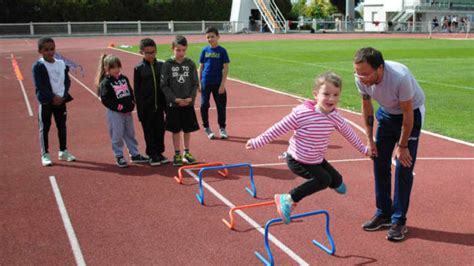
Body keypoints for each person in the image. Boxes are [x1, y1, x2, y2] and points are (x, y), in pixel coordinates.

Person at [246, 72, 370, 224]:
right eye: (326, 94)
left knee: (338, 182)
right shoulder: (301, 114)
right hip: (297, 159)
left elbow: (349, 134)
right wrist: (258, 141)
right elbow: (278, 128)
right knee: (324, 180)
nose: (331, 99)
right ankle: (288, 198)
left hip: (316, 159)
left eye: (336, 95)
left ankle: (335, 182)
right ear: (316, 94)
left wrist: (364, 149)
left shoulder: (335, 117)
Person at [353, 47, 425, 241]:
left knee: (404, 167)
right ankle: (384, 212)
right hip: (386, 114)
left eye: (366, 74)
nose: (361, 78)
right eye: (357, 73)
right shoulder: (360, 78)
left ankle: (398, 220)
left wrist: (402, 146)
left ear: (380, 68)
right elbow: (367, 106)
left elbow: (408, 113)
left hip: (410, 115)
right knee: (379, 161)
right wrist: (370, 139)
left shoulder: (400, 77)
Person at [95, 54, 148, 168]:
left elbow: (130, 91)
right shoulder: (106, 82)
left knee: (130, 133)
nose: (117, 69)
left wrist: (132, 102)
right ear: (107, 69)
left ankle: (134, 154)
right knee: (117, 134)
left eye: (118, 66)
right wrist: (119, 107)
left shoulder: (124, 78)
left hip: (127, 113)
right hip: (115, 114)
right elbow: (105, 99)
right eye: (113, 67)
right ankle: (119, 155)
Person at [32, 36, 76, 166]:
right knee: (45, 128)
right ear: (40, 51)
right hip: (46, 102)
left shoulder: (61, 64)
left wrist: (63, 95)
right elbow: (40, 85)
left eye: (52, 49)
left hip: (61, 101)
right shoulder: (38, 66)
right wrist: (52, 97)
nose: (50, 52)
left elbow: (67, 81)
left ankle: (63, 151)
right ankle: (45, 154)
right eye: (46, 50)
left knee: (61, 126)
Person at [161, 35, 200, 166]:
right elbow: (164, 85)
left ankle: (186, 152)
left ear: (186, 49)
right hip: (173, 104)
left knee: (187, 129)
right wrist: (175, 99)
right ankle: (177, 153)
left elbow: (195, 83)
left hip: (188, 103)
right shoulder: (167, 65)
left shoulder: (190, 64)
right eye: (178, 50)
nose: (181, 53)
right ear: (172, 49)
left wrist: (191, 98)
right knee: (176, 130)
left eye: (183, 50)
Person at [134, 38, 169, 166]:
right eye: (147, 53)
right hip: (146, 108)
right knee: (149, 132)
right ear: (141, 52)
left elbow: (165, 86)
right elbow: (137, 91)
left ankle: (159, 152)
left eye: (153, 52)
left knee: (160, 130)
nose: (151, 55)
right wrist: (140, 110)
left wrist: (166, 106)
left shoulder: (161, 66)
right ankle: (152, 154)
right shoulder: (138, 69)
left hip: (159, 106)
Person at [198, 26, 230, 139]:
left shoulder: (222, 51)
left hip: (218, 83)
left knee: (221, 107)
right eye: (208, 37)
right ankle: (207, 128)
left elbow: (225, 68)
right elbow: (201, 67)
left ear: (218, 37)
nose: (210, 39)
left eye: (212, 36)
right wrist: (199, 82)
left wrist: (222, 85)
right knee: (203, 105)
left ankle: (222, 128)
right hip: (206, 82)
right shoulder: (204, 50)